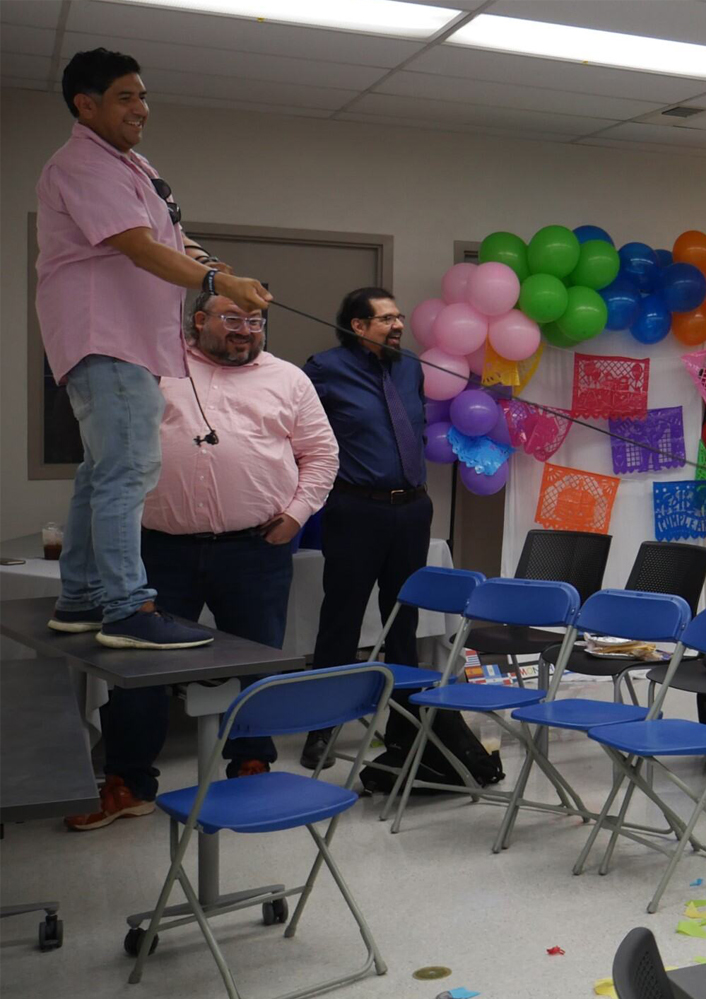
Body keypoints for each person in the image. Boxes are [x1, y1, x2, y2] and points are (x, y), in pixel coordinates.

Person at [65, 292, 340, 830]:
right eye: (232, 318)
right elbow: (112, 446)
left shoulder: (288, 379)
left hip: (255, 549)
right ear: (198, 320)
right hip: (159, 549)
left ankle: (252, 765)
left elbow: (322, 454)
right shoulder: (154, 370)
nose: (245, 329)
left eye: (255, 320)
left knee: (257, 662)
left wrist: (296, 514)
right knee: (139, 668)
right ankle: (129, 782)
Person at [36, 48, 271, 650]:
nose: (141, 108)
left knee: (100, 473)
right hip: (106, 338)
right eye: (125, 97)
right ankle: (126, 608)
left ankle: (81, 599)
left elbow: (166, 237)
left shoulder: (132, 165)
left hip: (126, 341)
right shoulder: (83, 164)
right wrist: (216, 283)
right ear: (85, 105)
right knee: (128, 472)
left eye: (142, 96)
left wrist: (207, 262)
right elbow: (138, 247)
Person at [301, 288, 431, 770]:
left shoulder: (410, 367)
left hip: (412, 510)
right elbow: (300, 434)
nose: (398, 326)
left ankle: (406, 732)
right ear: (357, 326)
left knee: (404, 621)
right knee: (342, 621)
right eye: (386, 319)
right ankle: (322, 729)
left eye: (399, 317)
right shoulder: (324, 369)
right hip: (356, 509)